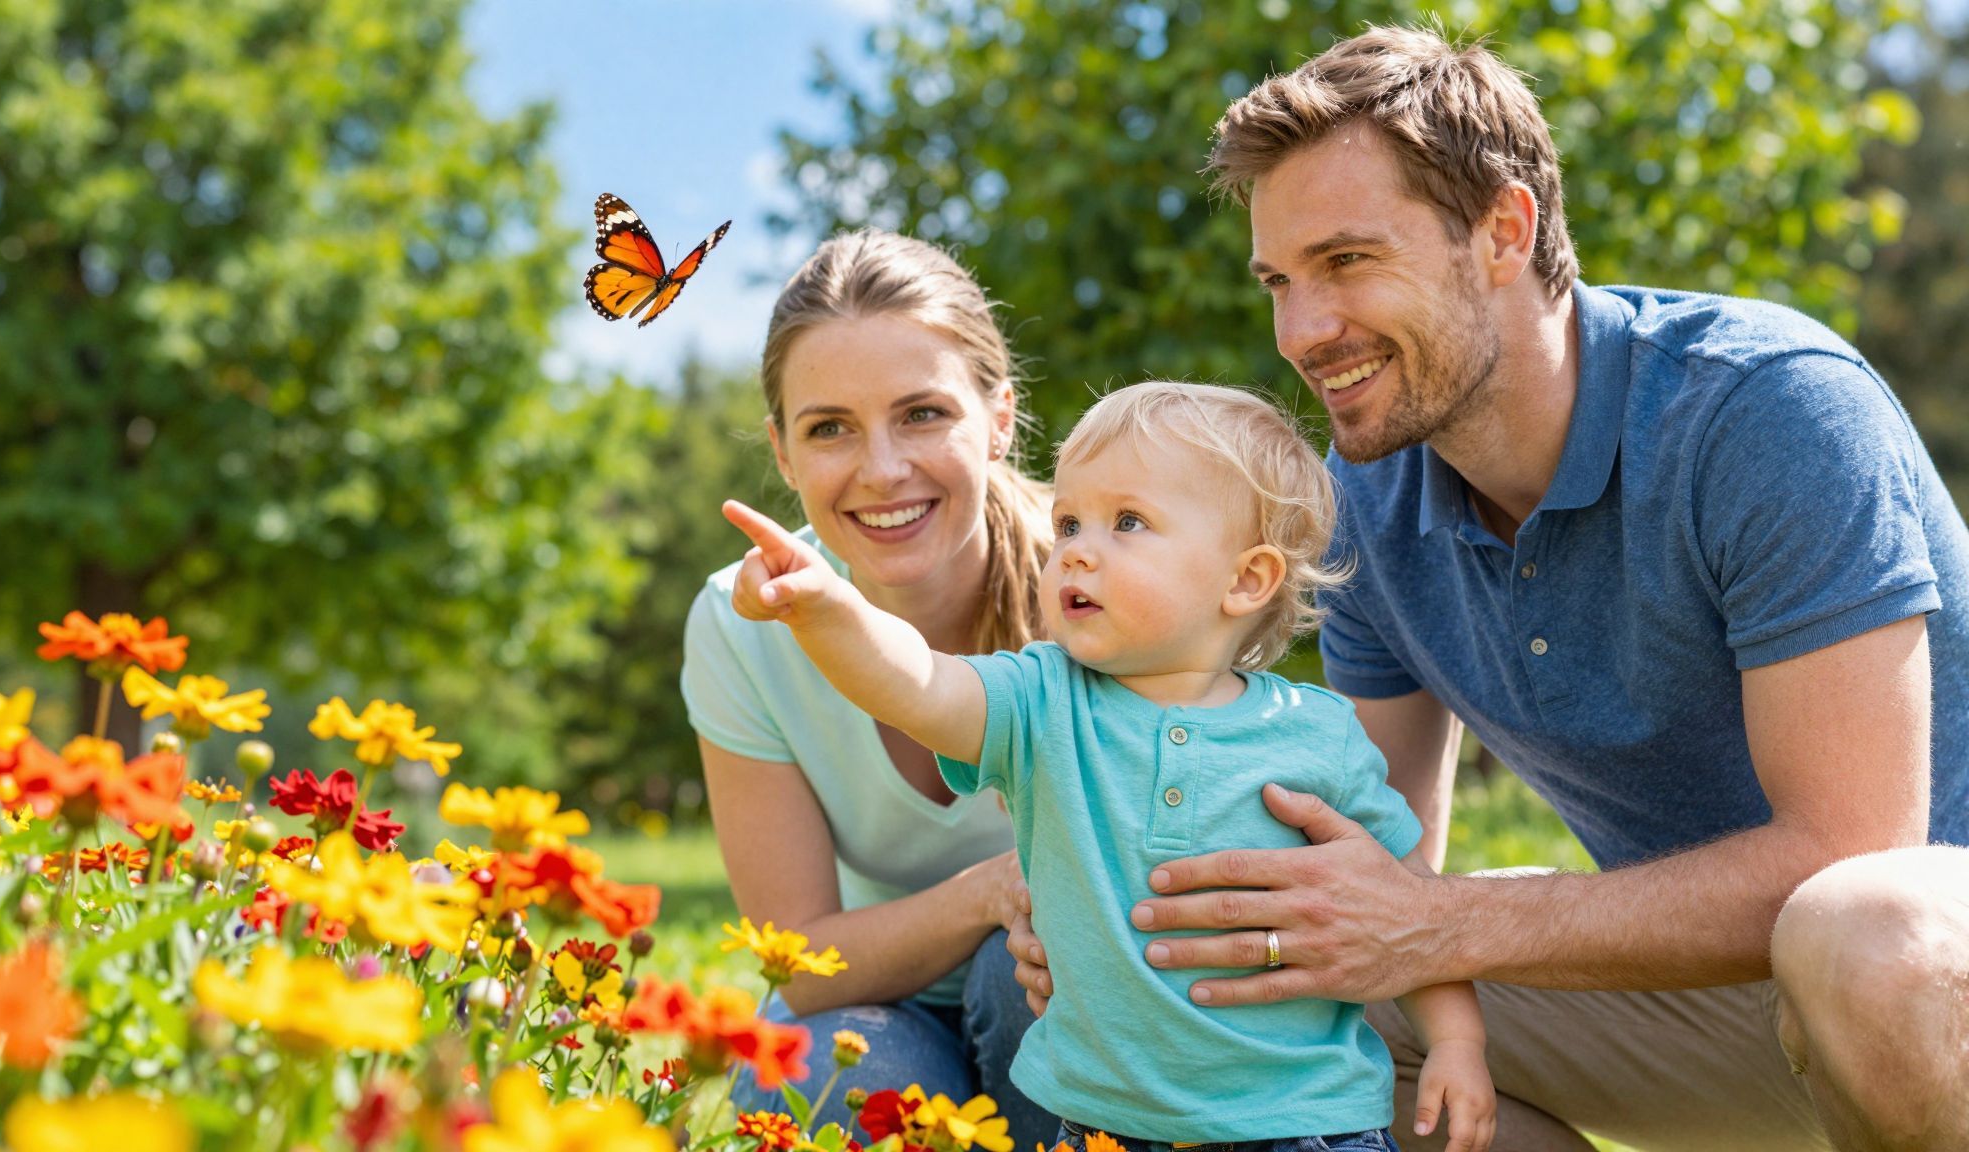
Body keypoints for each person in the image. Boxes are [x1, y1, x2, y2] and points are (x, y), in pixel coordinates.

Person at [1006, 25, 1969, 1152]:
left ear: (1502, 232)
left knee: (1863, 926)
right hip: (1721, 998)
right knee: (1292, 978)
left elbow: (1843, 852)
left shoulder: (1762, 409)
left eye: (1348, 262)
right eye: (1280, 281)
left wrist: (1441, 921)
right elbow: (1359, 858)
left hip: (1923, 978)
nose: (1302, 331)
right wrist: (1112, 908)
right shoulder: (1360, 507)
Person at [723, 381, 1498, 1152]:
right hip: (1102, 1129)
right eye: (1068, 522)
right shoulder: (1040, 701)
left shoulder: (1318, 734)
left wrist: (1457, 1044)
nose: (1077, 549)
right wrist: (825, 608)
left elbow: (1407, 906)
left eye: (1128, 522)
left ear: (1246, 579)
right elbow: (914, 683)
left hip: (1306, 1124)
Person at [679, 228, 1058, 1136]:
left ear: (999, 417)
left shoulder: (1097, 590)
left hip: (1057, 981)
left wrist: (1016, 912)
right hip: (871, 1003)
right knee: (819, 1078)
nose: (882, 469)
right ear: (781, 452)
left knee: (1036, 966)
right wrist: (986, 892)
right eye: (830, 429)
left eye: (923, 413)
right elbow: (799, 963)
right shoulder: (743, 626)